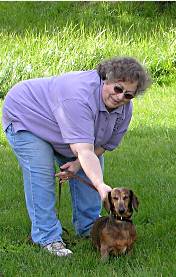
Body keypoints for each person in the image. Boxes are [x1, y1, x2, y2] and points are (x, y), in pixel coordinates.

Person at [2, 57, 151, 257]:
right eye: (117, 89)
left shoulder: (124, 109)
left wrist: (77, 164)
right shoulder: (78, 96)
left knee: (88, 167)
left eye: (128, 95)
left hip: (67, 129)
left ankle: (90, 228)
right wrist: (100, 185)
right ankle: (48, 238)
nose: (120, 97)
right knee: (42, 174)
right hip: (28, 117)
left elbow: (102, 146)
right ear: (106, 79)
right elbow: (85, 150)